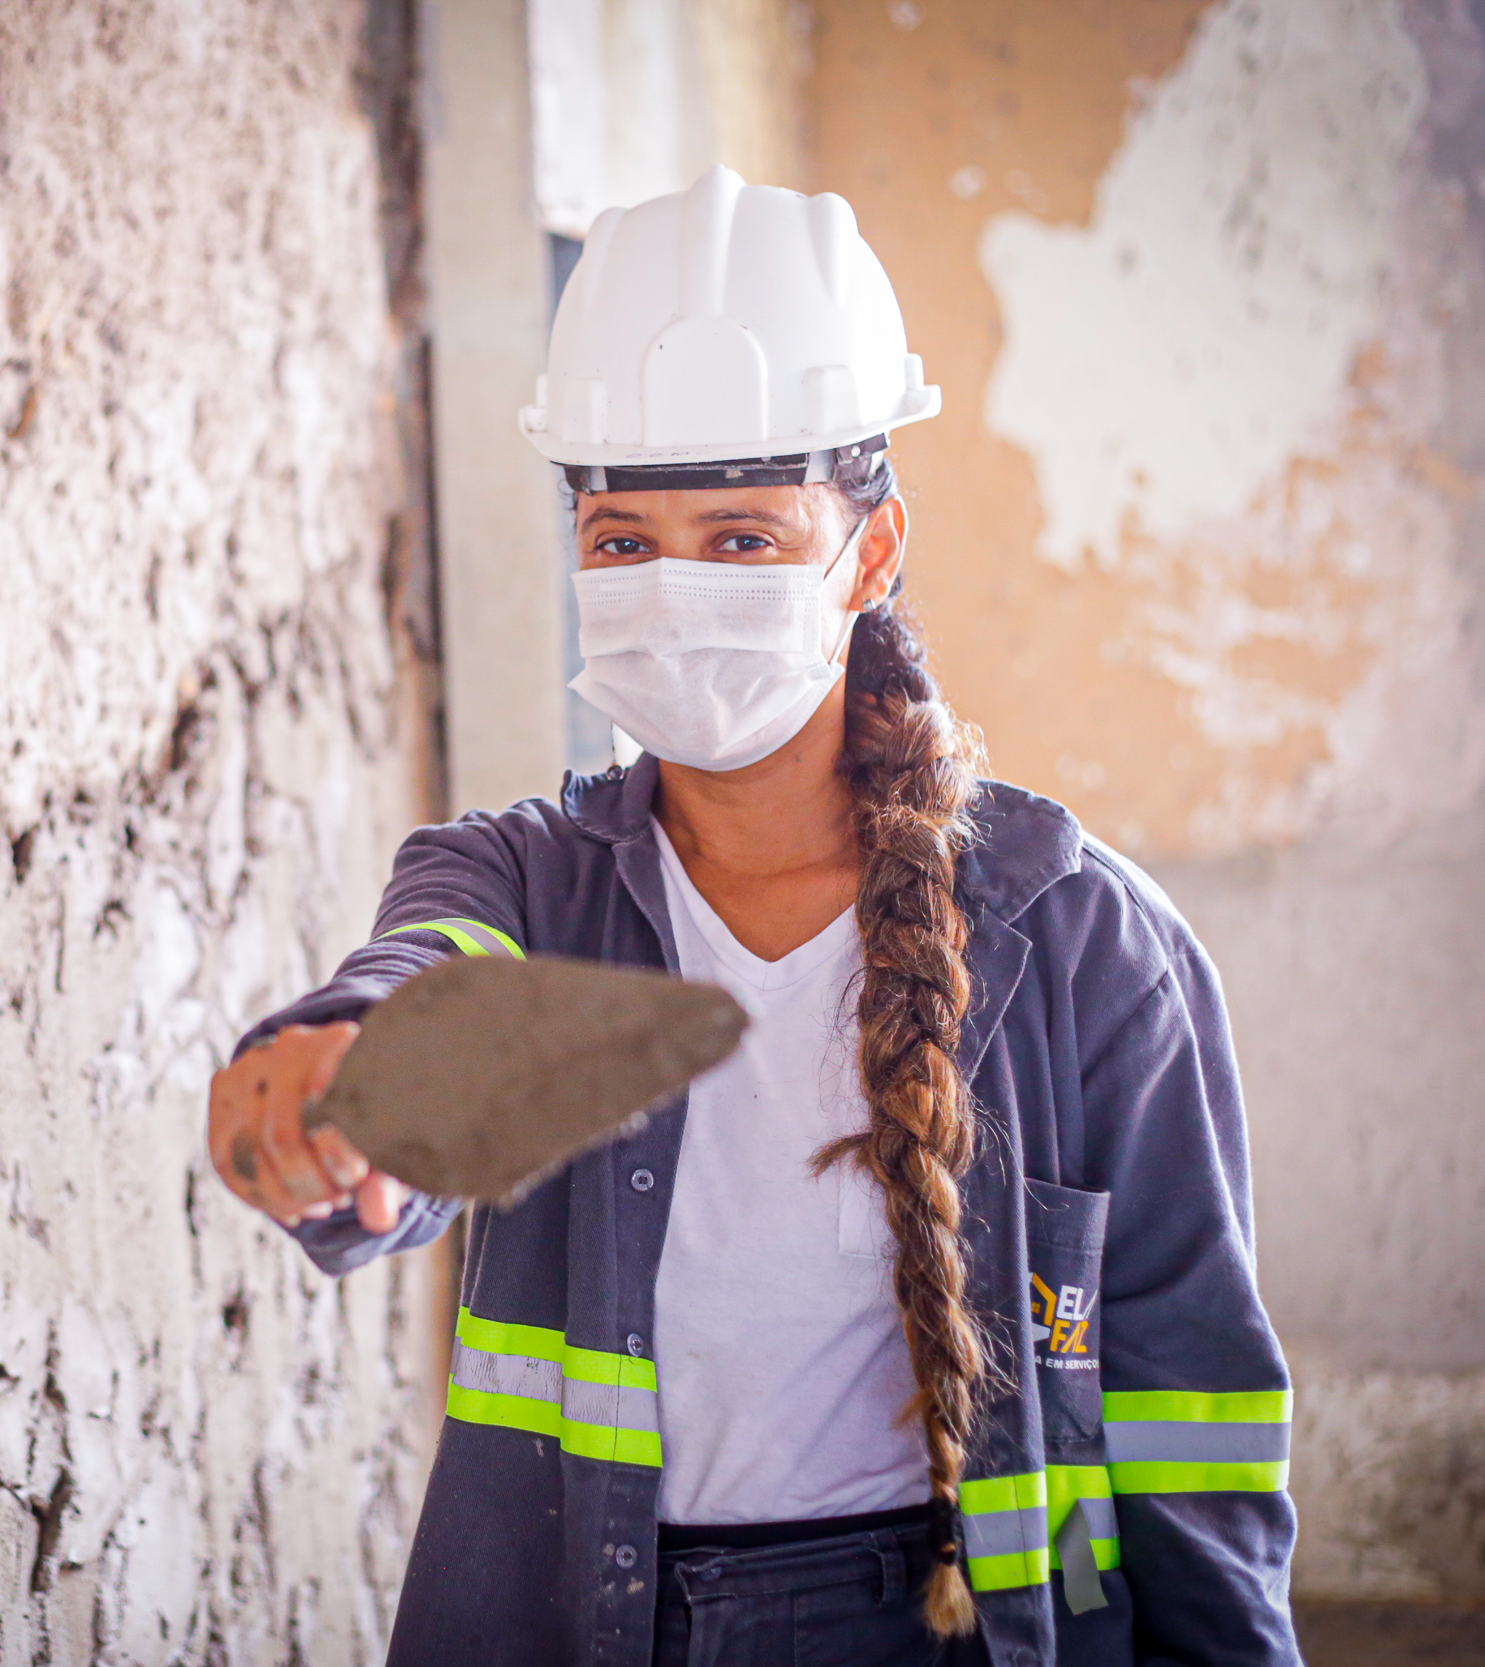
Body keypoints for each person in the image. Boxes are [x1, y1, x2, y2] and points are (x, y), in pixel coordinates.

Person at [206, 167, 1299, 1667]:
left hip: (960, 1627)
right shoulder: (527, 887)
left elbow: (1200, 1425)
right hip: (594, 1620)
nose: (672, 587)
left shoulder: (1085, 949)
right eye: (621, 539)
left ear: (873, 549)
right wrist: (345, 1086)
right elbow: (426, 984)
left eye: (740, 538)